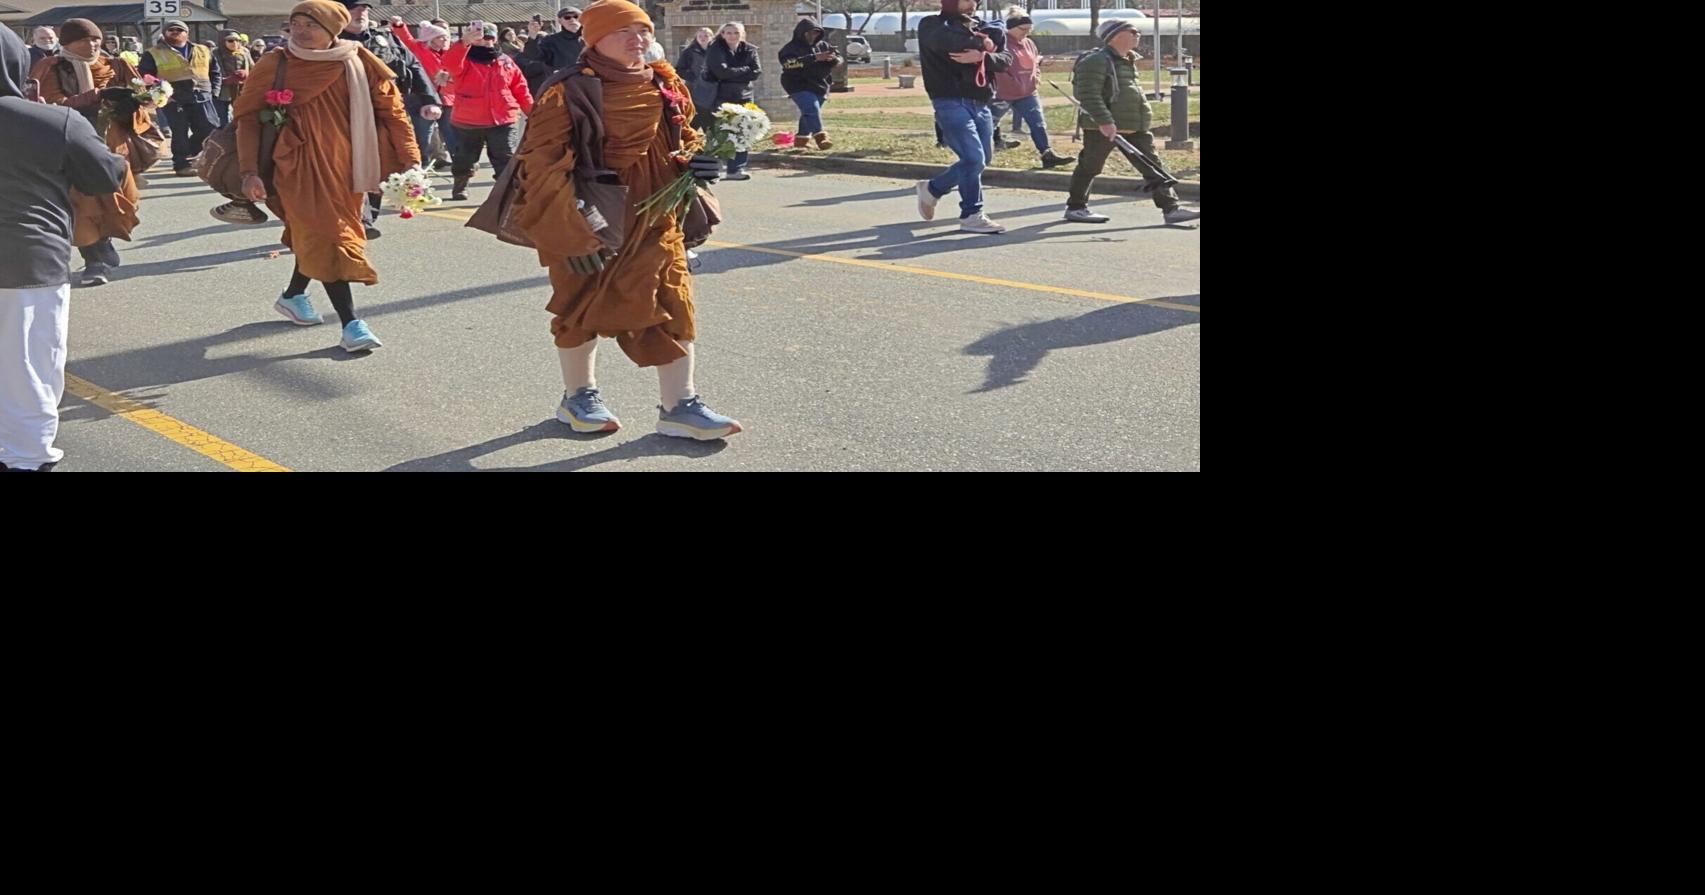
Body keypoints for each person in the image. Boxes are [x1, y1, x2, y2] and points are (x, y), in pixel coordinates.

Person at [510, 0, 741, 440]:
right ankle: (578, 397)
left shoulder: (664, 82)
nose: (638, 39)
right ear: (595, 39)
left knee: (673, 301)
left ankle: (680, 406)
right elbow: (541, 166)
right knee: (579, 305)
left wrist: (698, 161)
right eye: (624, 31)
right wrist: (569, 233)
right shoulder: (569, 90)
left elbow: (683, 137)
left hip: (657, 218)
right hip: (588, 220)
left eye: (643, 30)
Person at [235, 0, 420, 352]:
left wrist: (411, 161)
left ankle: (293, 295)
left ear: (333, 30)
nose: (300, 31)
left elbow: (394, 113)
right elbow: (247, 118)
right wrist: (248, 172)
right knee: (330, 235)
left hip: (349, 168)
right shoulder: (275, 63)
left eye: (311, 25)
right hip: (295, 166)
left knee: (315, 234)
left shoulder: (359, 60)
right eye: (296, 23)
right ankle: (351, 324)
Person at [1, 27, 127, 472]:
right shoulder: (52, 121)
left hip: (27, 255)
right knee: (29, 362)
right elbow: (104, 177)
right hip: (28, 256)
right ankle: (27, 454)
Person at [29, 17, 149, 287]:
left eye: (96, 39)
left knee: (117, 198)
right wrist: (95, 96)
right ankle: (95, 257)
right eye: (84, 40)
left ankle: (105, 241)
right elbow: (47, 106)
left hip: (114, 147)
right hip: (73, 146)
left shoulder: (116, 65)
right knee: (83, 201)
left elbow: (145, 101)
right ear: (68, 43)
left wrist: (130, 108)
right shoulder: (51, 67)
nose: (92, 44)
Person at [1065, 19, 1198, 226]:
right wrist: (1105, 121)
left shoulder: (1127, 60)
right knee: (1090, 166)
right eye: (1133, 32)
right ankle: (1076, 207)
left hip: (1134, 126)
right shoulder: (1097, 60)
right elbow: (1088, 95)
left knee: (1153, 166)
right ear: (1115, 36)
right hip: (1103, 127)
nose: (1138, 35)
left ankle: (1171, 209)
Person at [337, 1, 441, 239]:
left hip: (384, 113)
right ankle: (358, 220)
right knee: (347, 167)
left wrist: (429, 99)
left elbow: (413, 65)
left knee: (381, 166)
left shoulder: (384, 38)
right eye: (354, 8)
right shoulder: (327, 42)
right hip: (342, 115)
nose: (361, 13)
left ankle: (366, 218)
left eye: (365, 9)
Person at [915, 0, 1013, 234]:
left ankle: (933, 189)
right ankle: (971, 214)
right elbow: (954, 43)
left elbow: (1006, 59)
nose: (973, 3)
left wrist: (983, 57)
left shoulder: (985, 25)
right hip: (949, 100)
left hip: (981, 102)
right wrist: (986, 42)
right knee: (973, 158)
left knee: (981, 159)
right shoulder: (931, 25)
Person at [442, 22, 531, 201]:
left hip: (503, 119)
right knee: (464, 158)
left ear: (495, 39)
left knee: (505, 158)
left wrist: (532, 112)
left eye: (489, 38)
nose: (485, 42)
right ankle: (460, 186)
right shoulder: (463, 58)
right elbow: (449, 64)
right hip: (468, 120)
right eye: (480, 38)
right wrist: (463, 42)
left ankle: (507, 193)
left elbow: (520, 88)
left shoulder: (505, 61)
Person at [140, 18, 222, 176]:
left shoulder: (203, 50)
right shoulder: (153, 53)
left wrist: (214, 92)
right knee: (179, 132)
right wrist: (159, 95)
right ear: (164, 33)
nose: (175, 32)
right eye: (171, 30)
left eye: (179, 30)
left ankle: (193, 154)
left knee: (208, 128)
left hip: (202, 96)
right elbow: (146, 76)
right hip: (174, 98)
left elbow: (215, 72)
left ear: (187, 33)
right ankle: (182, 164)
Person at [992, 14, 1072, 169]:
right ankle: (977, 154)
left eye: (1029, 29)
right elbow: (997, 68)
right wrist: (1011, 83)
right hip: (1004, 93)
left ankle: (1047, 154)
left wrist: (1036, 78)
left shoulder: (1029, 43)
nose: (1027, 32)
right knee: (989, 123)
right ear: (1010, 28)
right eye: (1023, 29)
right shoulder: (1000, 43)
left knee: (1038, 123)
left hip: (1028, 93)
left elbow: (1035, 64)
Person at [390, 16, 463, 170]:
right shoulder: (418, 49)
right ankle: (421, 162)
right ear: (431, 39)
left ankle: (461, 163)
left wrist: (450, 77)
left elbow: (459, 69)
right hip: (423, 98)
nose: (445, 39)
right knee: (424, 133)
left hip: (447, 98)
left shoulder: (449, 52)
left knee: (451, 132)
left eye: (446, 36)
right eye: (441, 37)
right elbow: (406, 38)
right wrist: (399, 25)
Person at [704, 21, 759, 180]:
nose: (732, 36)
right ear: (722, 34)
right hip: (722, 96)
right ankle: (713, 167)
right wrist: (745, 69)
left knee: (743, 131)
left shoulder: (750, 49)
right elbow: (721, 72)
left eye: (736, 33)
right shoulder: (716, 49)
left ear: (742, 34)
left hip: (745, 95)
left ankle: (736, 169)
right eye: (728, 32)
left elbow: (756, 72)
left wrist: (733, 73)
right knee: (721, 131)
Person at [777, 16, 838, 150]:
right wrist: (814, 57)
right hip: (797, 84)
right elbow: (788, 64)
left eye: (816, 32)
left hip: (820, 84)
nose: (813, 35)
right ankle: (821, 137)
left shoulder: (823, 45)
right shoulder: (789, 48)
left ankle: (801, 140)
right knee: (811, 108)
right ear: (801, 33)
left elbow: (839, 60)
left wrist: (833, 59)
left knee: (808, 113)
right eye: (809, 33)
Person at [520, 7, 584, 97]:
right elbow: (535, 56)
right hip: (563, 89)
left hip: (588, 86)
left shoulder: (591, 38)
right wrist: (532, 36)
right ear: (560, 21)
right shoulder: (551, 40)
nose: (572, 19)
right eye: (567, 17)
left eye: (576, 16)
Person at [214, 30, 254, 127]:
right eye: (230, 40)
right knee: (223, 120)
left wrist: (246, 73)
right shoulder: (216, 53)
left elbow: (253, 68)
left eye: (238, 40)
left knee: (241, 118)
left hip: (240, 91)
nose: (235, 43)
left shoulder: (244, 52)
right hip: (222, 93)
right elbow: (213, 72)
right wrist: (228, 79)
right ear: (223, 41)